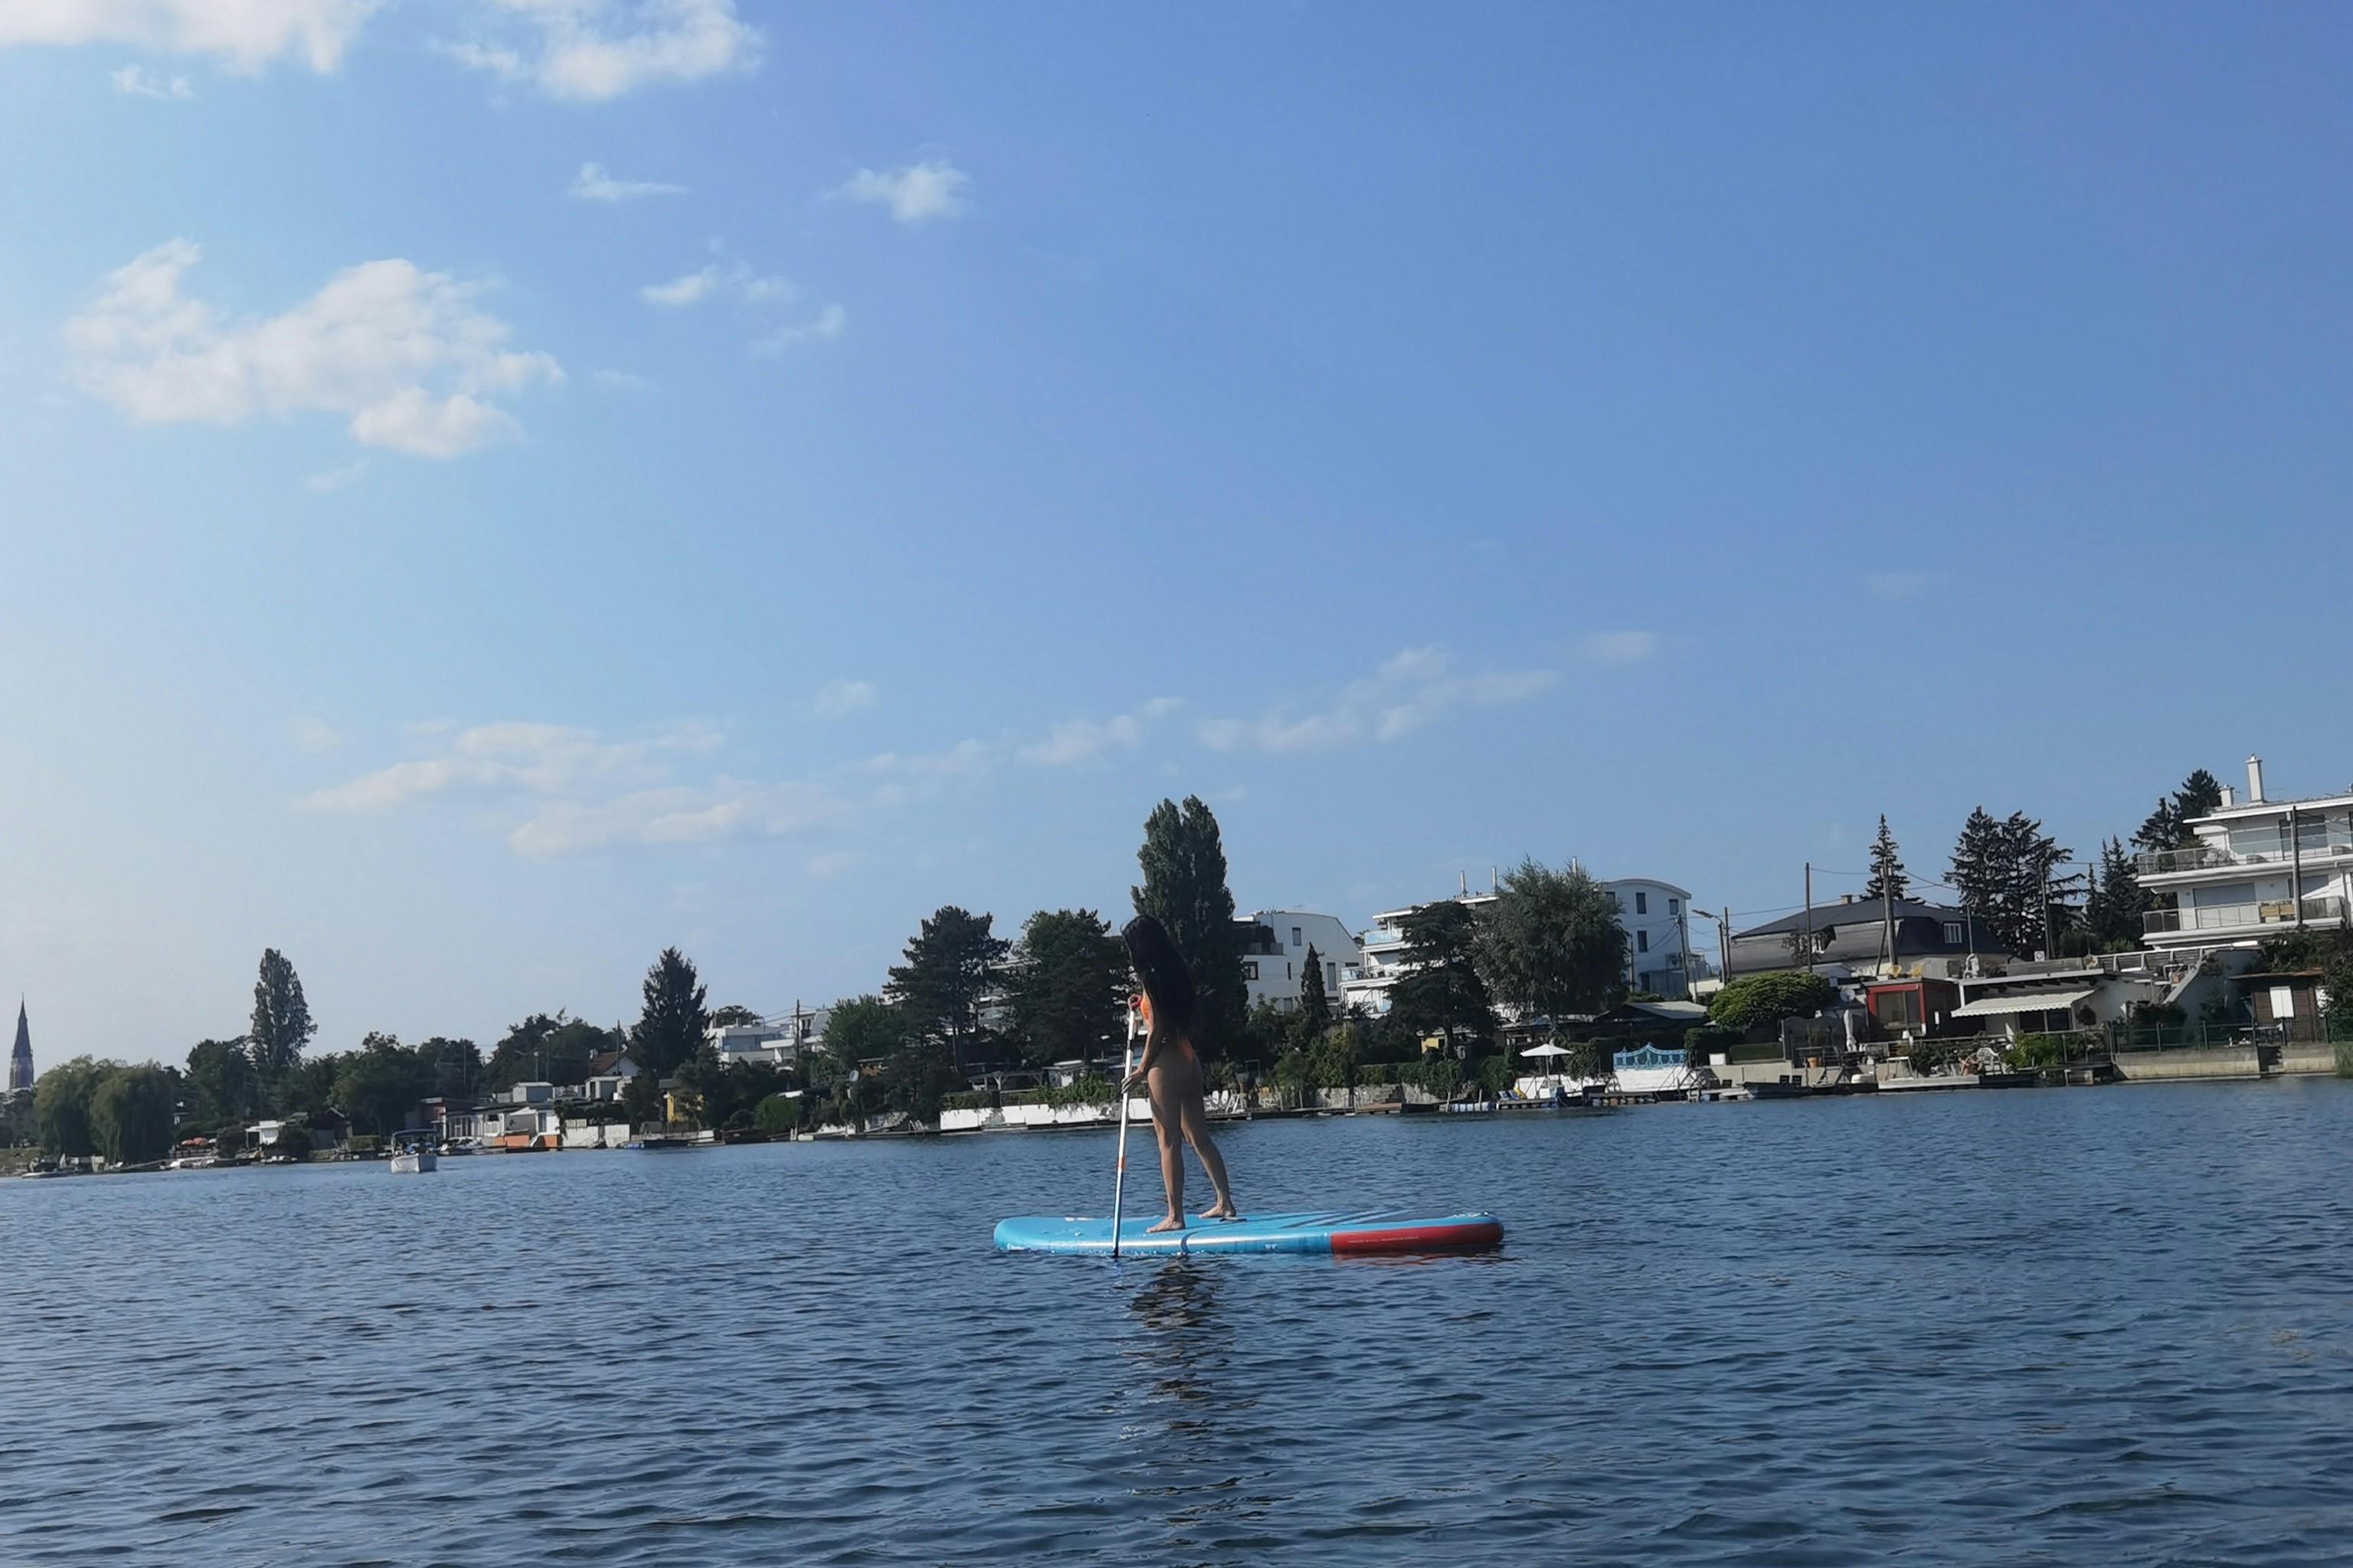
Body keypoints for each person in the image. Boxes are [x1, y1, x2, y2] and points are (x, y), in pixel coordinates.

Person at [1120, 914, 1239, 1232]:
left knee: (1168, 1141)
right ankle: (1225, 1201)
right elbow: (1164, 1009)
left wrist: (1142, 1068)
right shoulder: (1174, 970)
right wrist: (1141, 1002)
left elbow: (1158, 1028)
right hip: (1189, 1062)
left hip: (1165, 1066)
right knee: (1199, 1137)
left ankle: (1175, 1216)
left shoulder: (1150, 975)